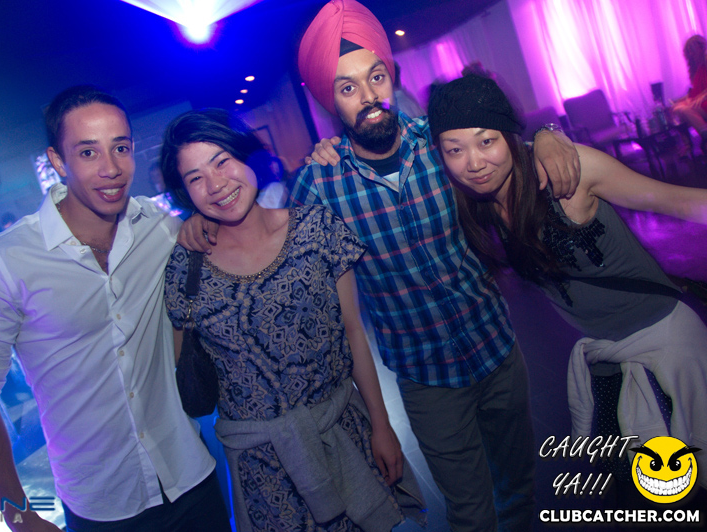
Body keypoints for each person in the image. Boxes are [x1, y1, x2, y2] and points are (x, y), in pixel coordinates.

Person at [177, 1, 583, 530]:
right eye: (347, 88)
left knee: (520, 489)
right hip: (426, 377)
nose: (368, 96)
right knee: (470, 513)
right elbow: (269, 239)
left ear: (391, 77)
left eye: (375, 77)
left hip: (497, 348)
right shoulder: (320, 185)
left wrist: (548, 134)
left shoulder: (441, 143)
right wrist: (199, 218)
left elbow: (504, 148)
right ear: (331, 102)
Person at [0, 85, 231, 532]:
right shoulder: (5, 261)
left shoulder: (158, 229)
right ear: (57, 161)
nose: (111, 168)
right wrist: (17, 514)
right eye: (87, 152)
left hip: (192, 477)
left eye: (121, 148)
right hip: (101, 506)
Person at [428, 73, 707, 490]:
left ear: (509, 136)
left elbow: (680, 201)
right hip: (605, 356)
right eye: (455, 150)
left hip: (668, 342)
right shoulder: (477, 203)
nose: (473, 162)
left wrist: (547, 132)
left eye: (486, 141)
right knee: (636, 488)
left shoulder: (571, 171)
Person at [160, 108, 425, 532]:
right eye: (195, 178)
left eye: (222, 161)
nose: (216, 184)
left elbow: (354, 332)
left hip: (343, 434)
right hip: (263, 466)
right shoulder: (186, 267)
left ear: (246, 155)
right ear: (185, 193)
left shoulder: (316, 228)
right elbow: (185, 364)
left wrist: (382, 425)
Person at [672, 35, 707, 152]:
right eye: (689, 51)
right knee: (677, 108)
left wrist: (703, 95)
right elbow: (696, 92)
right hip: (701, 101)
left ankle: (693, 142)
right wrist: (683, 99)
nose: (691, 54)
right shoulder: (696, 68)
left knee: (683, 110)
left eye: (692, 50)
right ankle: (689, 143)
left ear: (701, 48)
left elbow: (701, 92)